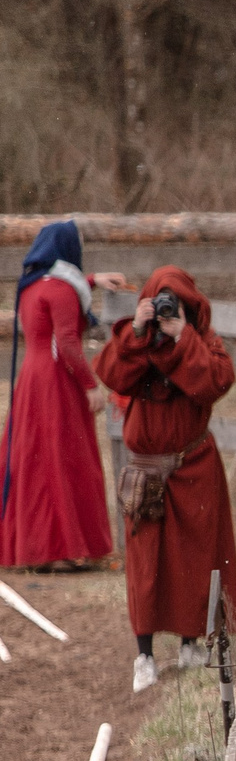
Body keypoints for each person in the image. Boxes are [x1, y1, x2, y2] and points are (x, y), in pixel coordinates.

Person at [97, 268, 236, 692]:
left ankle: (191, 643)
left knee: (194, 559)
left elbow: (214, 383)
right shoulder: (137, 340)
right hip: (145, 471)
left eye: (172, 306)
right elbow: (111, 374)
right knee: (145, 565)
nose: (164, 312)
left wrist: (182, 337)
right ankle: (144, 656)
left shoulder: (202, 342)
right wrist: (139, 331)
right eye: (158, 304)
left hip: (193, 466)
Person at [0, 222, 118, 570]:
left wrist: (94, 280)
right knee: (62, 457)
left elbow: (59, 298)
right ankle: (63, 548)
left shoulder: (33, 285)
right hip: (55, 381)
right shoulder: (63, 291)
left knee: (34, 459)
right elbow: (67, 344)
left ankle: (38, 546)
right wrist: (91, 384)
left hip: (31, 379)